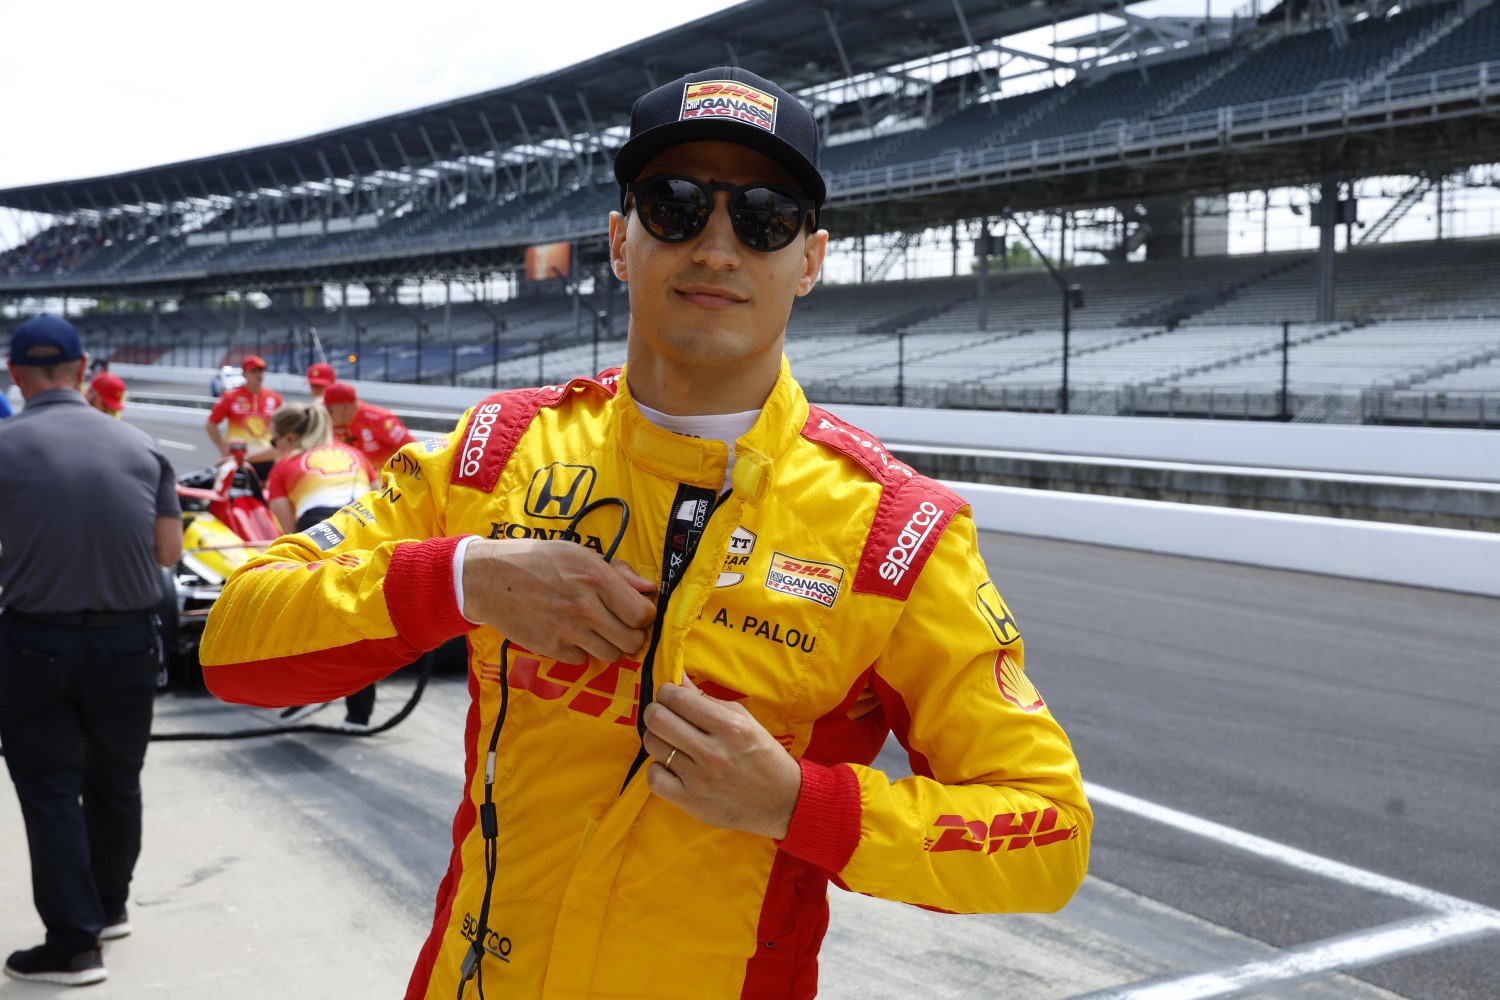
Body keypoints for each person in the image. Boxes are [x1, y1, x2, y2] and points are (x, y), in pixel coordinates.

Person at [201, 66, 1090, 1000]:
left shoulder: (894, 531)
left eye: (764, 218)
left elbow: (1049, 836)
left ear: (812, 259)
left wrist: (799, 804)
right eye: (674, 207)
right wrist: (460, 579)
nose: (715, 247)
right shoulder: (495, 454)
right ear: (621, 241)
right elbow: (234, 643)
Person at [0, 315, 183, 986]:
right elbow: (167, 554)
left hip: (35, 642)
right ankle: (109, 908)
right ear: (83, 370)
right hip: (128, 641)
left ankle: (73, 943)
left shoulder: (4, 443)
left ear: (15, 376)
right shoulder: (140, 446)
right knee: (116, 780)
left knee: (50, 791)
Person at [262, 403, 380, 732]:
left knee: (310, 616)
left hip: (320, 529)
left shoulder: (284, 467)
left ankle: (311, 692)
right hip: (367, 529)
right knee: (360, 622)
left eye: (273, 442)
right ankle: (358, 716)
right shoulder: (354, 454)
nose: (274, 449)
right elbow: (381, 499)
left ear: (287, 438)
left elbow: (291, 532)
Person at [204, 354, 282, 481]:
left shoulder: (274, 398)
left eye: (261, 371)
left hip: (265, 458)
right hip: (238, 458)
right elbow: (211, 424)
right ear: (244, 374)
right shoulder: (230, 397)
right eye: (253, 371)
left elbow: (280, 429)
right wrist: (223, 448)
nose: (259, 375)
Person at [322, 381, 417, 471]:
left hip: (387, 480)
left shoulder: (379, 420)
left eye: (329, 410)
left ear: (345, 407)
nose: (327, 414)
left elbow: (415, 450)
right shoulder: (333, 424)